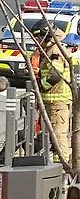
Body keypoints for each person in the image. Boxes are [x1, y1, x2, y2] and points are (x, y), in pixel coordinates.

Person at [31, 19, 72, 162]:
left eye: (38, 37)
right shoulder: (51, 48)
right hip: (53, 101)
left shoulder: (54, 50)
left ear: (46, 35)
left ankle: (63, 167)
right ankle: (57, 164)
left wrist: (40, 85)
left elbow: (55, 76)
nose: (36, 41)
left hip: (57, 102)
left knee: (58, 134)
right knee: (55, 135)